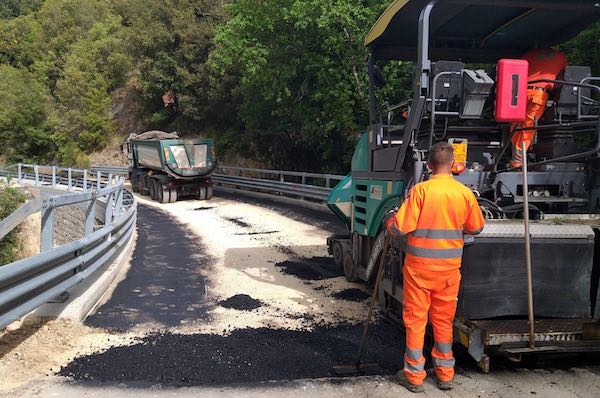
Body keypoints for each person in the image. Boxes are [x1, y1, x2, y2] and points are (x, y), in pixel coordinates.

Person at [385, 142, 485, 393]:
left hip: (419, 270)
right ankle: (445, 375)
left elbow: (400, 228)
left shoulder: (420, 192)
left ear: (429, 165)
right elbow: (477, 227)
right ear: (452, 165)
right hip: (449, 271)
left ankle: (414, 377)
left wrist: (390, 220)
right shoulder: (464, 193)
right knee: (443, 321)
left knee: (416, 321)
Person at [510, 48, 568, 168]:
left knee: (516, 123)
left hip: (520, 92)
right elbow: (562, 80)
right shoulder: (561, 57)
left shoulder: (527, 54)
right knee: (529, 126)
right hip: (539, 94)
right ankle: (518, 160)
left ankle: (514, 153)